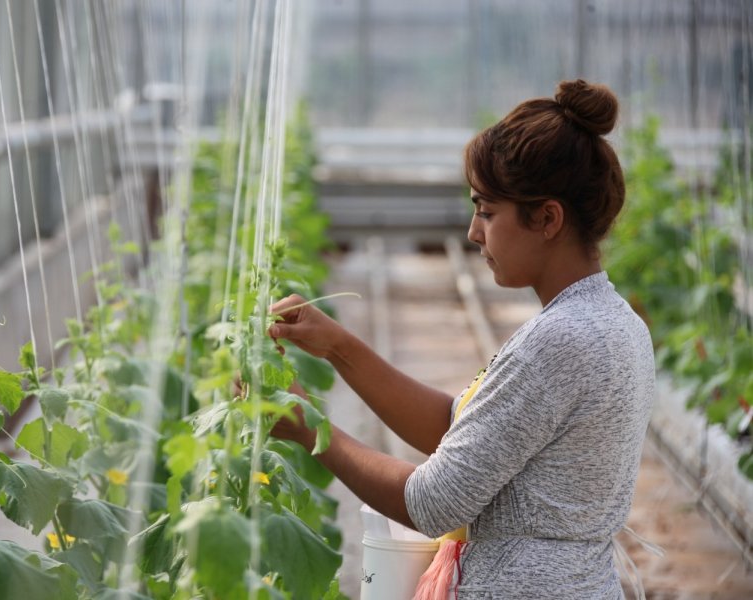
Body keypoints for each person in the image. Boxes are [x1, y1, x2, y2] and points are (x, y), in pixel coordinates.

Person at [268, 79, 655, 599]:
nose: (474, 232)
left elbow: (433, 502)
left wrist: (309, 428)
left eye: (487, 211)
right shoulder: (613, 320)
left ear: (547, 218)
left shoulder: (560, 340)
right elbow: (465, 432)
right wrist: (338, 346)